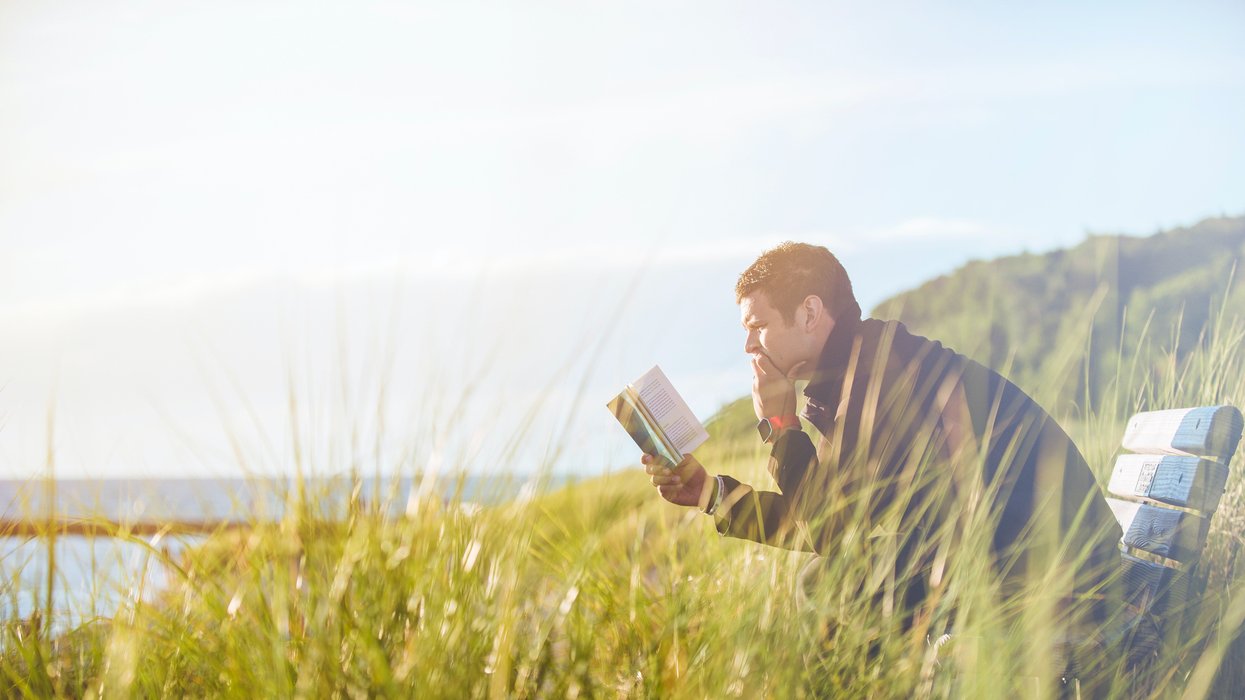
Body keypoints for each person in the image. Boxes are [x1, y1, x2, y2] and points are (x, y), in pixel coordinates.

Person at [641, 242, 1123, 671]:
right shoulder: (858, 369)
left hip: (1061, 576)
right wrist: (708, 493)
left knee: (831, 584)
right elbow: (832, 517)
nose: (748, 345)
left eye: (758, 326)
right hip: (1018, 557)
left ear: (810, 313)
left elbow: (827, 528)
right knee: (838, 577)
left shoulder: (880, 377)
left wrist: (783, 426)